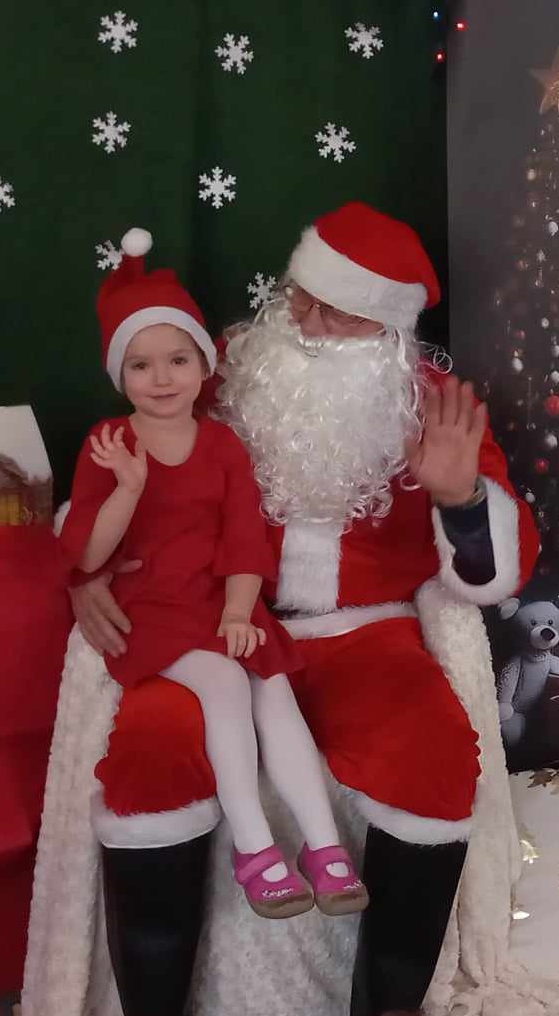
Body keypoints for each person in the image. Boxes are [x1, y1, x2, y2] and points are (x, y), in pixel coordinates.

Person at [68, 204, 536, 1016]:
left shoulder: (433, 406)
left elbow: (499, 568)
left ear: (388, 329)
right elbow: (117, 474)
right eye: (302, 299)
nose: (311, 324)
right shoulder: (221, 373)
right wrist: (85, 574)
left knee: (433, 746)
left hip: (366, 632)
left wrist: (462, 499)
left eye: (339, 312)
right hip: (212, 627)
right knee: (156, 741)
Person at [61, 231, 362, 921]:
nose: (162, 378)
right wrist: (129, 488)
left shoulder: (223, 444)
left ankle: (324, 847)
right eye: (141, 365)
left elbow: (244, 538)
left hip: (220, 600)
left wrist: (238, 611)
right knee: (225, 682)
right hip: (152, 608)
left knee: (273, 687)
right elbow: (87, 556)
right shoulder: (109, 443)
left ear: (203, 365)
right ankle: (255, 850)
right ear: (120, 374)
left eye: (177, 359)